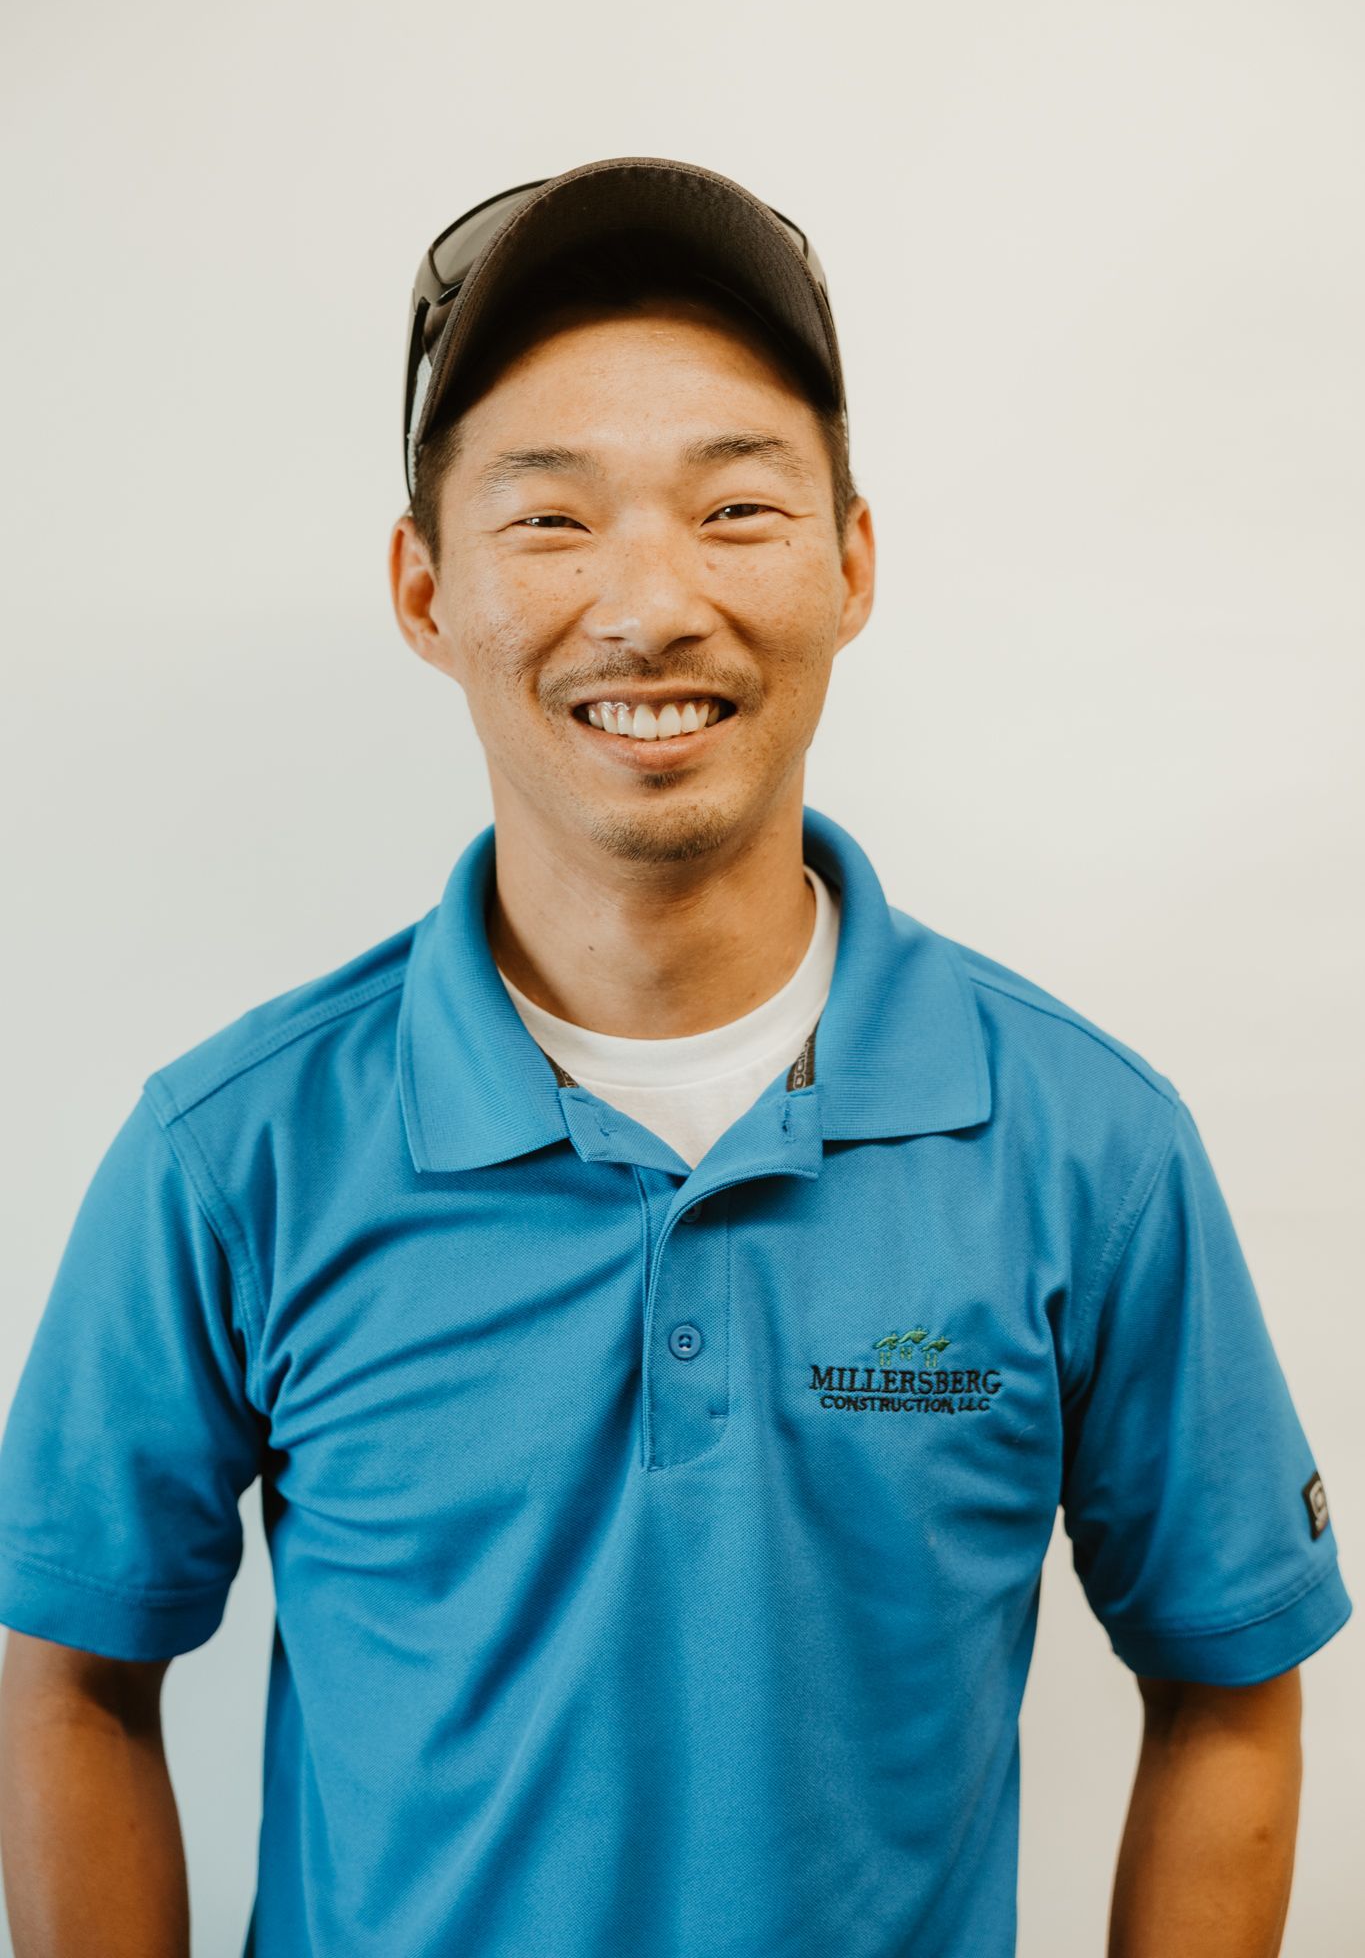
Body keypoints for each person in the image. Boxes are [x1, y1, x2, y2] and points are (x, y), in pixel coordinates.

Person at [0, 157, 1351, 1958]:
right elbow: (73, 1678)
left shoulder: (1087, 1146)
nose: (648, 603)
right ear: (422, 588)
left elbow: (1227, 1679)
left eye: (735, 509)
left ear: (852, 564)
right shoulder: (228, 1153)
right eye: (550, 521)